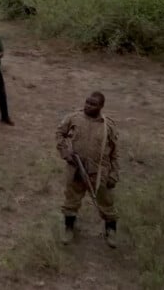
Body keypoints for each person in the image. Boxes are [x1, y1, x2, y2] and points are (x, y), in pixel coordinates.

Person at [56, 91, 119, 248]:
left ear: (101, 106)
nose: (88, 106)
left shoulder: (108, 126)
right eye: (87, 102)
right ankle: (69, 228)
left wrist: (113, 173)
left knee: (106, 202)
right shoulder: (73, 118)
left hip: (99, 172)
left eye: (93, 104)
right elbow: (60, 134)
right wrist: (66, 152)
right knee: (71, 199)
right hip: (76, 168)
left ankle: (111, 231)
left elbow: (114, 152)